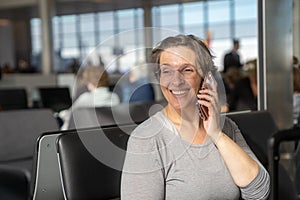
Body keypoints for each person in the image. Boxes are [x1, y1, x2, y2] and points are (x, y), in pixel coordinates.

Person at [121, 35, 270, 199]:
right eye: (167, 71)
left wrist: (216, 134)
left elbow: (259, 192)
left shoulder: (225, 127)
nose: (176, 81)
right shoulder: (146, 139)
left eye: (187, 70)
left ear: (206, 78)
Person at [59, 65, 120, 130]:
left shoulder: (85, 98)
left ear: (89, 82)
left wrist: (61, 114)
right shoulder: (115, 97)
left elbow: (69, 116)